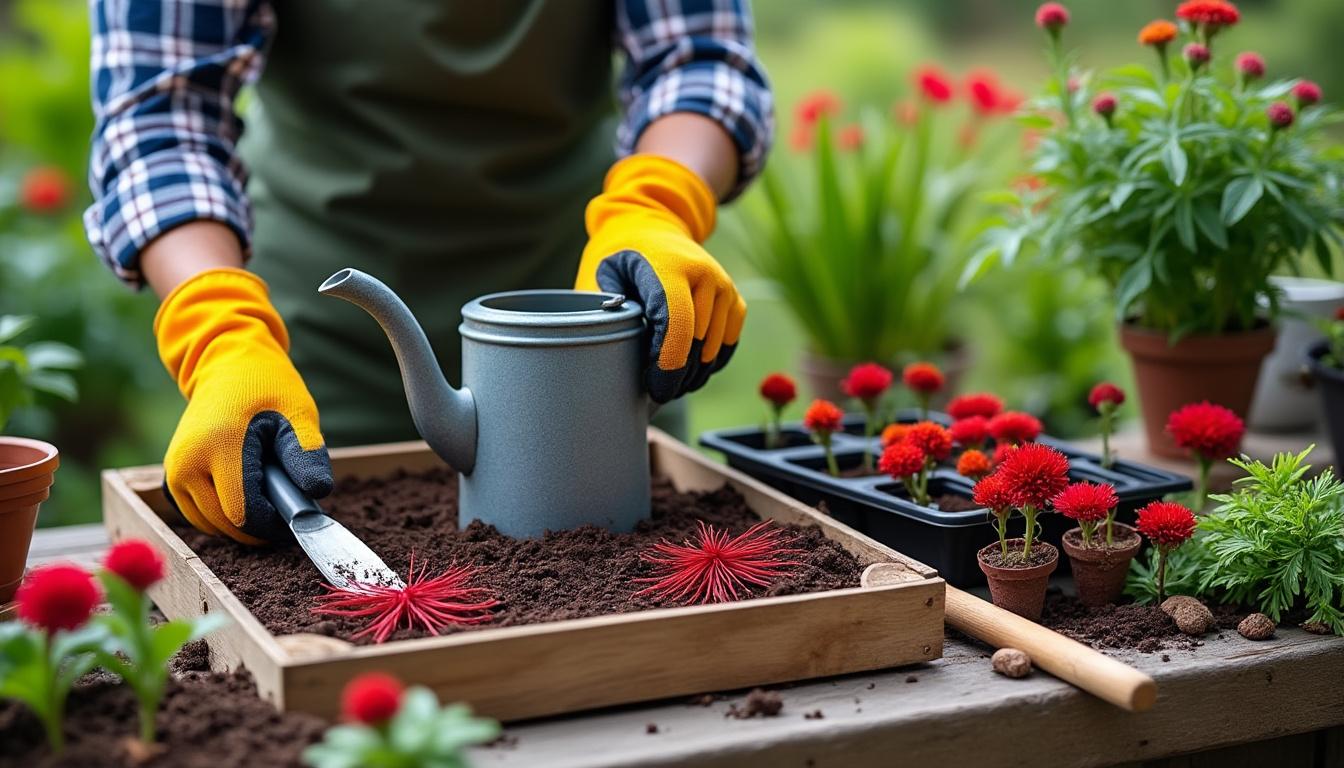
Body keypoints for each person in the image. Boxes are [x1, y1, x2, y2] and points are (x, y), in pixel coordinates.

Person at [85, 1, 772, 545]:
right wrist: (217, 327)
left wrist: (654, 205)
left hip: (582, 319)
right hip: (324, 338)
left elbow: (698, 56)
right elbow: (163, 112)